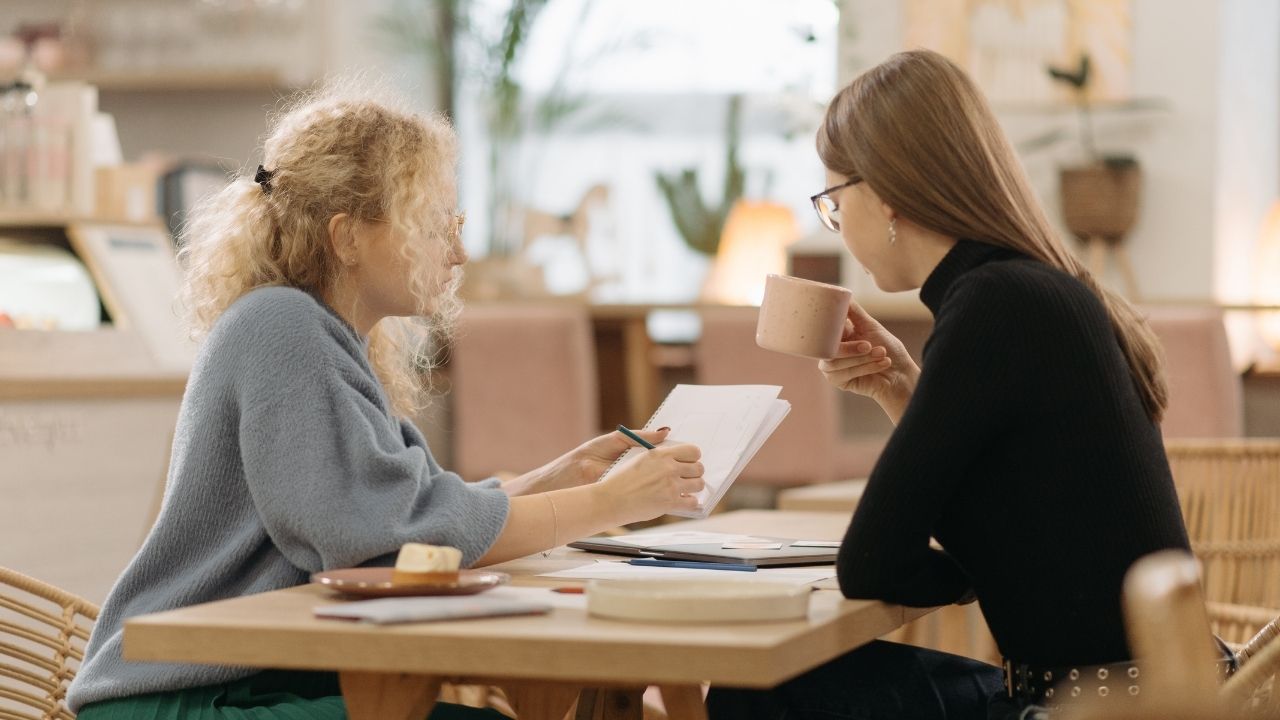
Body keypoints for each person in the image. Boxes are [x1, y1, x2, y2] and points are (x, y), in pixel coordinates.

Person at [67, 84, 705, 720]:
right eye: (432, 227)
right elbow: (377, 539)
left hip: (239, 679)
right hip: (174, 696)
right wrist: (606, 503)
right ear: (346, 238)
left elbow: (409, 518)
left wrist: (555, 480)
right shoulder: (281, 327)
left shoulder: (325, 336)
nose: (456, 253)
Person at [707, 49, 1200, 720]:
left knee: (759, 688)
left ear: (883, 195)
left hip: (1090, 710)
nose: (837, 224)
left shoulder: (993, 305)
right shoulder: (1029, 289)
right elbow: (1014, 533)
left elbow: (872, 565)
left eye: (832, 201)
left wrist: (962, 579)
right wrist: (902, 391)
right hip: (1141, 693)